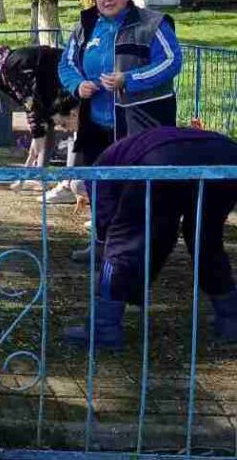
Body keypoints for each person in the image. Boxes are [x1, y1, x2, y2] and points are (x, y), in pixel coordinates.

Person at [62, 127, 237, 349]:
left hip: (159, 161)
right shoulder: (128, 149)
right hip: (226, 156)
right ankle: (230, 317)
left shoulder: (99, 170)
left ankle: (103, 327)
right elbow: (164, 231)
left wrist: (108, 243)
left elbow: (106, 218)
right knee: (206, 238)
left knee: (121, 244)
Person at [58, 0, 182, 168]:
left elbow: (171, 61)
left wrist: (128, 79)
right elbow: (67, 63)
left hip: (143, 126)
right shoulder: (86, 26)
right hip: (96, 127)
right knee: (98, 183)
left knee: (137, 184)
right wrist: (78, 85)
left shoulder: (152, 24)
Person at [0, 42, 79, 203]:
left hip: (64, 78)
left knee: (73, 127)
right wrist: (37, 131)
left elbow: (31, 100)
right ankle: (40, 175)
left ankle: (69, 185)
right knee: (47, 127)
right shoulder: (6, 71)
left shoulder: (10, 70)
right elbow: (30, 103)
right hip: (54, 83)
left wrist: (37, 132)